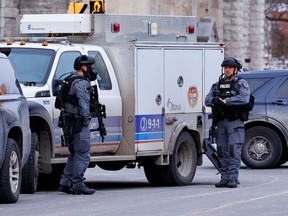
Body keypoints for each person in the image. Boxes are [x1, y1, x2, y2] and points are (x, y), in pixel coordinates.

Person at [205, 57, 250, 188]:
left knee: (233, 151)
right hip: (221, 122)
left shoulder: (241, 83)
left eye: (229, 67)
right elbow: (207, 99)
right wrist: (215, 100)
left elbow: (244, 98)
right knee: (221, 150)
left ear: (235, 69)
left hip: (234, 122)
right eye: (225, 68)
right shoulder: (218, 84)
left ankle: (233, 178)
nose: (227, 70)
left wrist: (227, 101)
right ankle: (224, 177)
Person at [57, 55, 97, 195]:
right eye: (91, 67)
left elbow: (59, 103)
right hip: (79, 123)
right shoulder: (81, 83)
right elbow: (84, 106)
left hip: (68, 123)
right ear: (84, 67)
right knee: (83, 154)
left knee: (74, 153)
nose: (93, 70)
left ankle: (65, 182)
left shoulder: (68, 80)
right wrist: (86, 121)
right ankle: (78, 184)